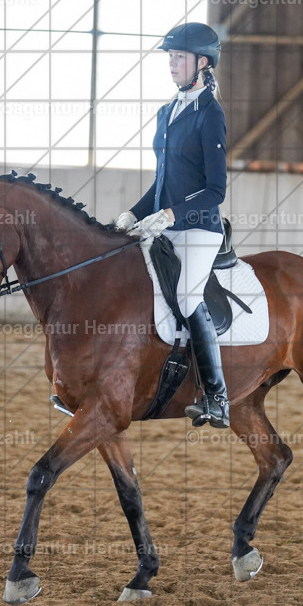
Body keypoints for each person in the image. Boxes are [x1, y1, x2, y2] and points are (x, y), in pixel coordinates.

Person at [115, 22, 230, 429]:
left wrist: (170, 215)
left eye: (179, 57)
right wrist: (134, 213)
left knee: (185, 296)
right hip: (163, 225)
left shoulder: (210, 114)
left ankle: (217, 397)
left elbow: (216, 190)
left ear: (202, 63)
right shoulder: (166, 113)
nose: (172, 63)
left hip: (199, 229)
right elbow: (163, 181)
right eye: (170, 57)